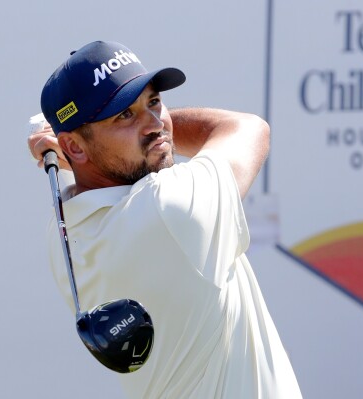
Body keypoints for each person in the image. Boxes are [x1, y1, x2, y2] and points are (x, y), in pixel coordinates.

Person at [28, 40, 302, 399]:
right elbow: (249, 128)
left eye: (154, 101)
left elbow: (87, 174)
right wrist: (63, 148)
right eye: (125, 114)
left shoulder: (63, 230)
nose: (155, 124)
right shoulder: (170, 208)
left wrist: (69, 151)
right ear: (75, 148)